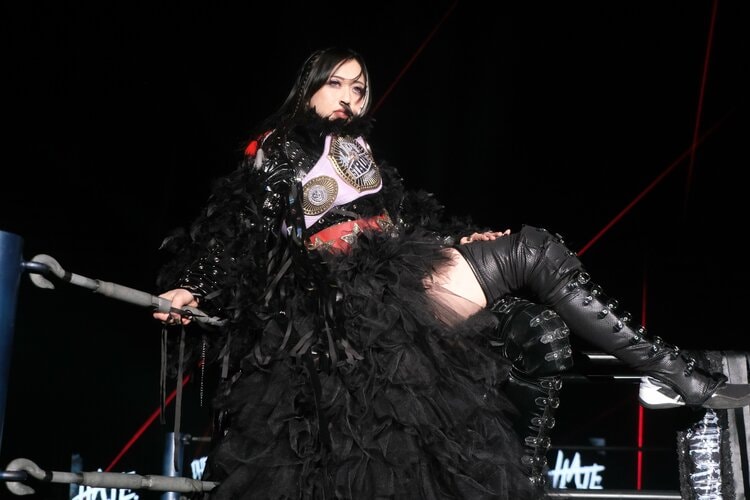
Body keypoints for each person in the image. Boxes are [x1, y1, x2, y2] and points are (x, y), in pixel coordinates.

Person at [152, 47, 750, 499]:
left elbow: (400, 225)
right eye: (336, 82)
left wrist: (457, 242)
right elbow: (242, 224)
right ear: (309, 86)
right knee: (530, 263)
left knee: (533, 271)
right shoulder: (282, 145)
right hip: (345, 300)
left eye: (359, 87)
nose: (349, 96)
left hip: (399, 274)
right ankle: (673, 374)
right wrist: (196, 284)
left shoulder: (361, 152)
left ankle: (665, 372)